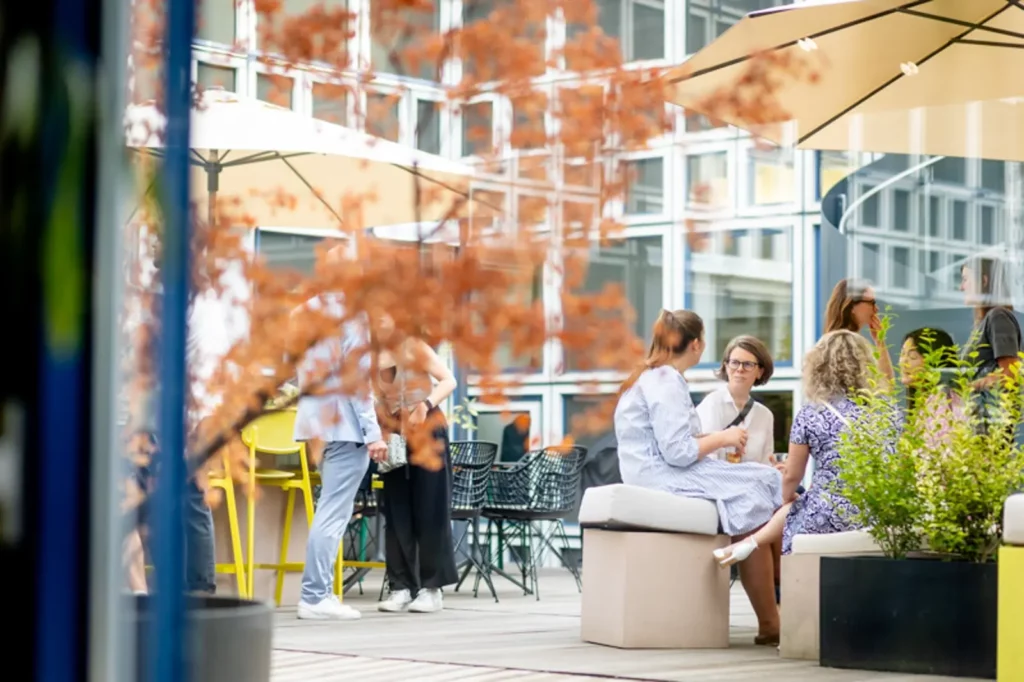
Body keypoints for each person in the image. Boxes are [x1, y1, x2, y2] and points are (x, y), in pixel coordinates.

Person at [614, 309, 783, 645]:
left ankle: (775, 615)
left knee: (766, 482)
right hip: (660, 476)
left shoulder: (653, 376)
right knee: (766, 484)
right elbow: (677, 453)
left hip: (655, 471)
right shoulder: (664, 381)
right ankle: (775, 617)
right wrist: (725, 437)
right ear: (694, 344)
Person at [713, 330, 877, 565]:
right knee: (797, 500)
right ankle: (751, 550)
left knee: (793, 505)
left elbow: (790, 476)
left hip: (831, 514)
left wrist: (784, 497)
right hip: (879, 511)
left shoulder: (812, 413)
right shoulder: (888, 413)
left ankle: (750, 545)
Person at [293, 292, 388, 621]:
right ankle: (315, 595)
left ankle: (318, 594)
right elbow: (358, 383)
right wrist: (373, 433)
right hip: (345, 428)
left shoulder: (305, 312)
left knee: (328, 510)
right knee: (332, 514)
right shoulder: (353, 316)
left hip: (316, 426)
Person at [373, 314, 459, 614]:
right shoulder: (372, 356)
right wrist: (381, 433)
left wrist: (426, 404)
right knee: (396, 511)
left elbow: (449, 380)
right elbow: (379, 400)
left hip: (426, 429)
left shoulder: (414, 346)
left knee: (430, 507)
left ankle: (431, 588)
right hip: (396, 434)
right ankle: (400, 586)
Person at [696, 335, 783, 603]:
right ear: (725, 366)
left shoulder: (765, 415)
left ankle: (781, 589)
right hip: (720, 487)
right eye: (734, 363)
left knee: (789, 505)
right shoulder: (712, 404)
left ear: (760, 371)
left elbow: (764, 462)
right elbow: (706, 458)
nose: (739, 370)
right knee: (772, 511)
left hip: (751, 488)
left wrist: (778, 468)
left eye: (747, 364)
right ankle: (779, 596)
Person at [960, 256, 1022, 432]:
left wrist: (972, 386)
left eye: (965, 280)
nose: (961, 287)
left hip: (991, 427)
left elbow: (1011, 374)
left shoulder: (998, 316)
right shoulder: (985, 321)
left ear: (984, 280)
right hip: (979, 423)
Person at [823, 278, 893, 382]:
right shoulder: (845, 345)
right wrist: (880, 343)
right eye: (871, 302)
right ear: (852, 306)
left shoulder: (831, 344)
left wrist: (880, 341)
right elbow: (885, 386)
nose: (876, 309)